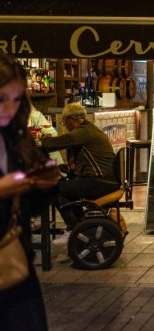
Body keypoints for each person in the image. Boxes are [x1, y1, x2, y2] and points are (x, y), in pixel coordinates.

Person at [0, 53, 61, 331]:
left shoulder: (12, 138)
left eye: (16, 99)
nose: (9, 108)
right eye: (1, 99)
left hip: (15, 265)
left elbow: (23, 209)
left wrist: (43, 186)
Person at [40, 102, 118, 245]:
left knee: (56, 189)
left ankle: (73, 228)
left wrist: (41, 142)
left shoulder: (83, 132)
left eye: (64, 121)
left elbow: (57, 143)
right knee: (64, 185)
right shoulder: (89, 130)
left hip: (100, 181)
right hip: (105, 180)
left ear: (73, 119)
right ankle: (79, 225)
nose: (64, 125)